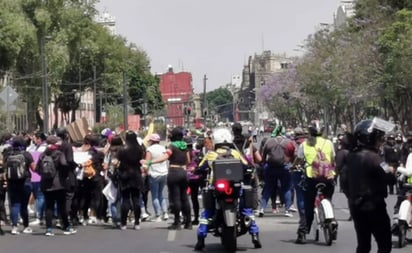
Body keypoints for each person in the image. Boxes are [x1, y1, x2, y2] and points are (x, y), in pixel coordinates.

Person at [194, 127, 262, 251]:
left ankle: (201, 239)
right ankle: (255, 235)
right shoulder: (235, 153)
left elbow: (200, 167)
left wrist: (197, 170)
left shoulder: (211, 154)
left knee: (207, 212)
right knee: (247, 210)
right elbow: (246, 166)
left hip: (216, 187)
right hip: (236, 186)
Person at [342, 119, 394, 253]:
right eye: (378, 138)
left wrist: (353, 197)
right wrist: (391, 171)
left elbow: (344, 181)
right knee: (384, 244)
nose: (380, 141)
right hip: (374, 207)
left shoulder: (351, 156)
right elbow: (390, 178)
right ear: (370, 138)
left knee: (363, 245)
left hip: (356, 207)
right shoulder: (375, 158)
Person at [294, 121, 336, 243]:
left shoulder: (304, 144)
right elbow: (333, 160)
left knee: (308, 206)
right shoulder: (328, 143)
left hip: (311, 177)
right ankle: (331, 219)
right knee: (328, 198)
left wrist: (293, 166)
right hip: (328, 177)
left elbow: (299, 159)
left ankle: (302, 233)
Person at [38, 136, 76, 236]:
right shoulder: (59, 154)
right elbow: (64, 165)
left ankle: (49, 229)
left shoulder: (42, 155)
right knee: (62, 206)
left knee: (49, 207)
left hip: (46, 184)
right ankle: (67, 226)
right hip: (59, 184)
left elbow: (38, 169)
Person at [5, 136, 35, 234]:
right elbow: (34, 168)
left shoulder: (8, 154)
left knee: (14, 204)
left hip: (11, 182)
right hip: (25, 182)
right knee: (24, 205)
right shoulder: (26, 154)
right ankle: (26, 226)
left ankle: (14, 227)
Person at [117, 131, 145, 230]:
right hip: (136, 175)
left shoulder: (122, 149)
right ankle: (137, 222)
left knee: (125, 199)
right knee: (136, 199)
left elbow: (118, 159)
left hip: (125, 175)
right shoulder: (139, 148)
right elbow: (141, 160)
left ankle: (123, 223)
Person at [144, 133, 169, 222]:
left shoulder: (149, 149)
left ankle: (158, 215)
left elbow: (147, 163)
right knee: (160, 194)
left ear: (152, 141)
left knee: (155, 196)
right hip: (164, 173)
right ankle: (165, 213)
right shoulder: (163, 148)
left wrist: (146, 172)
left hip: (154, 174)